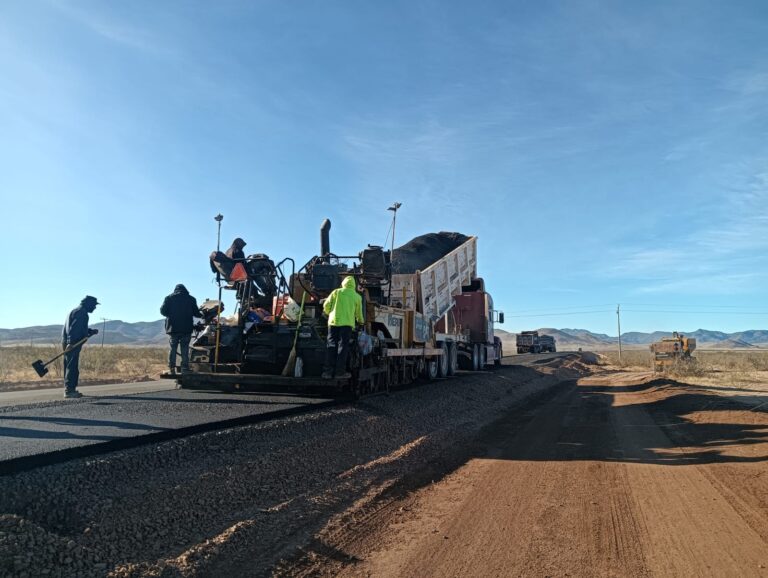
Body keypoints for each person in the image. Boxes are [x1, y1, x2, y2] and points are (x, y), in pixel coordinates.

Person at [322, 276, 364, 379]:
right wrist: (361, 322)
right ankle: (339, 372)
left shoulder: (336, 292)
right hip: (347, 325)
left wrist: (327, 313)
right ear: (354, 285)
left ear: (343, 283)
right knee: (343, 347)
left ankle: (328, 372)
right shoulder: (357, 297)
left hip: (333, 323)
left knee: (331, 345)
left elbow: (326, 305)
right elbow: (359, 313)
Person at [61, 296, 100, 398]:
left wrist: (90, 331)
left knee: (70, 365)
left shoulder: (76, 311)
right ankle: (69, 391)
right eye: (94, 305)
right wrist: (70, 343)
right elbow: (74, 329)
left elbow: (78, 328)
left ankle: (70, 389)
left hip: (70, 342)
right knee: (72, 366)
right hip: (73, 343)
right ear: (88, 304)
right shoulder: (81, 313)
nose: (95, 308)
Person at [160, 284, 201, 374]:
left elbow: (162, 311)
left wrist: (171, 315)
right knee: (185, 348)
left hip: (173, 329)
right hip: (186, 328)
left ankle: (171, 368)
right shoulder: (191, 299)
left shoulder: (169, 298)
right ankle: (185, 368)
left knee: (173, 348)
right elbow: (197, 313)